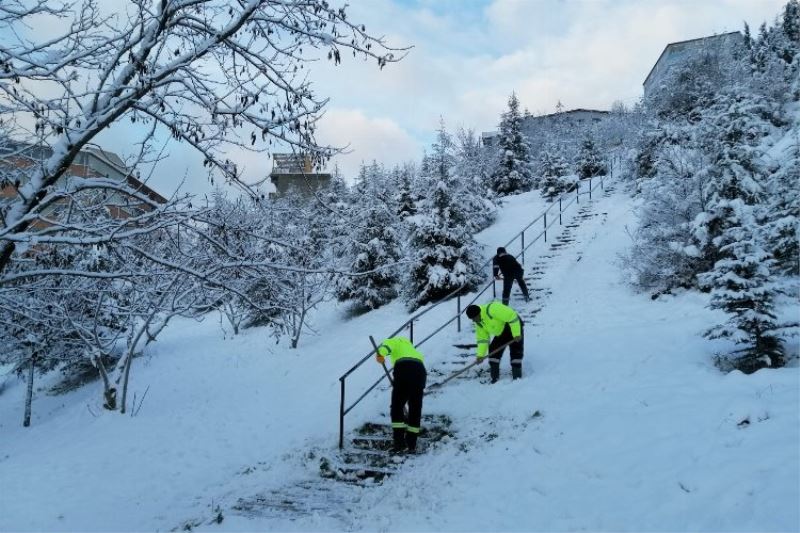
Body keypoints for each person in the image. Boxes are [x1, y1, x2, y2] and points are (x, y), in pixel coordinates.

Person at [375, 336, 427, 453]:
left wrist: (380, 355)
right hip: (420, 371)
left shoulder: (392, 341)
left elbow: (385, 348)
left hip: (404, 368)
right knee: (415, 408)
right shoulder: (410, 347)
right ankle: (411, 444)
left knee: (397, 406)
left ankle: (399, 444)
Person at [465, 302, 524, 383]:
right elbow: (483, 340)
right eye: (472, 319)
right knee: (493, 351)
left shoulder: (492, 309)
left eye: (474, 318)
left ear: (478, 313)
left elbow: (512, 317)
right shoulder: (479, 323)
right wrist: (480, 355)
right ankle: (494, 377)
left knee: (516, 350)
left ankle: (517, 377)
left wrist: (516, 333)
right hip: (501, 331)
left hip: (513, 324)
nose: (474, 321)